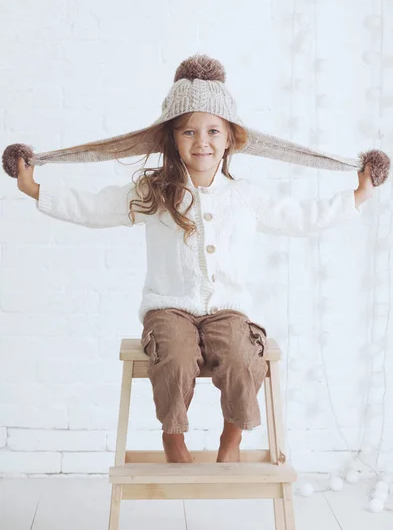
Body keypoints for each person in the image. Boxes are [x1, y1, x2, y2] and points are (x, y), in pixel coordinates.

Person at [16, 97, 374, 464]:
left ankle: (232, 435)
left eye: (212, 131)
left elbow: (299, 216)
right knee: (175, 356)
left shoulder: (245, 196)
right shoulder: (153, 192)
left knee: (241, 355)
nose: (201, 141)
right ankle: (173, 435)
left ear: (230, 139)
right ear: (172, 139)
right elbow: (95, 207)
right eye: (189, 131)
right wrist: (35, 189)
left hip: (227, 310)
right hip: (168, 307)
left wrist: (357, 196)